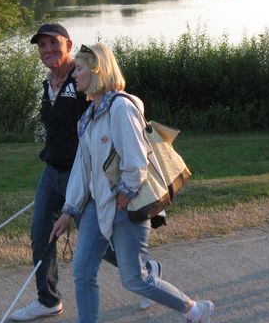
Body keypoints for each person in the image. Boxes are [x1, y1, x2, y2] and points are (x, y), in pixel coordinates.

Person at [50, 42, 214, 323]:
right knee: (82, 271)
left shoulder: (121, 108)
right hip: (97, 205)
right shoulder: (88, 117)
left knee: (134, 279)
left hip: (126, 206)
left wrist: (124, 196)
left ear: (97, 69)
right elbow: (82, 169)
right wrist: (69, 210)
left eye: (78, 68)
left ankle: (195, 310)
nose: (73, 75)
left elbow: (136, 161)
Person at [11, 24, 157, 322]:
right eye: (42, 45)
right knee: (41, 236)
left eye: (54, 43)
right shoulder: (48, 84)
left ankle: (144, 271)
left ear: (68, 45)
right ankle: (48, 300)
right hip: (52, 172)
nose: (48, 50)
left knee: (99, 242)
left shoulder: (82, 83)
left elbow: (112, 111)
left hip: (85, 178)